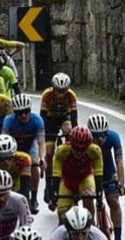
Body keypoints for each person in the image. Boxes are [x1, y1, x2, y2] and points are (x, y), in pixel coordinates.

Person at [87, 113, 125, 240]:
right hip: (90, 172)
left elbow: (119, 161)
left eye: (103, 135)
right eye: (97, 136)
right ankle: (89, 234)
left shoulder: (114, 137)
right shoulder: (85, 139)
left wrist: (121, 183)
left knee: (113, 201)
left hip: (108, 172)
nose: (101, 139)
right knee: (88, 200)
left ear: (107, 132)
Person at [2, 93, 46, 214]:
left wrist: (42, 159)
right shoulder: (8, 121)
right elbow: (4, 140)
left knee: (34, 163)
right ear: (14, 112)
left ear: (30, 110)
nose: (23, 115)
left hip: (29, 146)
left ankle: (34, 198)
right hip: (13, 147)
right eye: (19, 112)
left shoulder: (37, 120)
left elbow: (41, 143)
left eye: (26, 111)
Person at [49, 125, 103, 220]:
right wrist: (54, 196)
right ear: (70, 143)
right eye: (76, 148)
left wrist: (99, 195)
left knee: (89, 197)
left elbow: (98, 173)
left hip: (85, 178)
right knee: (63, 216)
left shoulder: (95, 151)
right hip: (67, 181)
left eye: (83, 149)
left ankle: (91, 223)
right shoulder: (62, 151)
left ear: (89, 145)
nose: (79, 152)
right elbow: (56, 175)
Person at [40, 73, 78, 201]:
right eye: (58, 90)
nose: (61, 94)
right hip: (50, 120)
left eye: (64, 90)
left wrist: (73, 136)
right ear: (53, 88)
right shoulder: (47, 95)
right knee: (49, 153)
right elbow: (43, 117)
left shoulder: (71, 95)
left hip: (63, 118)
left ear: (67, 89)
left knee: (69, 130)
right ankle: (48, 185)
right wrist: (45, 134)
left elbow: (74, 117)